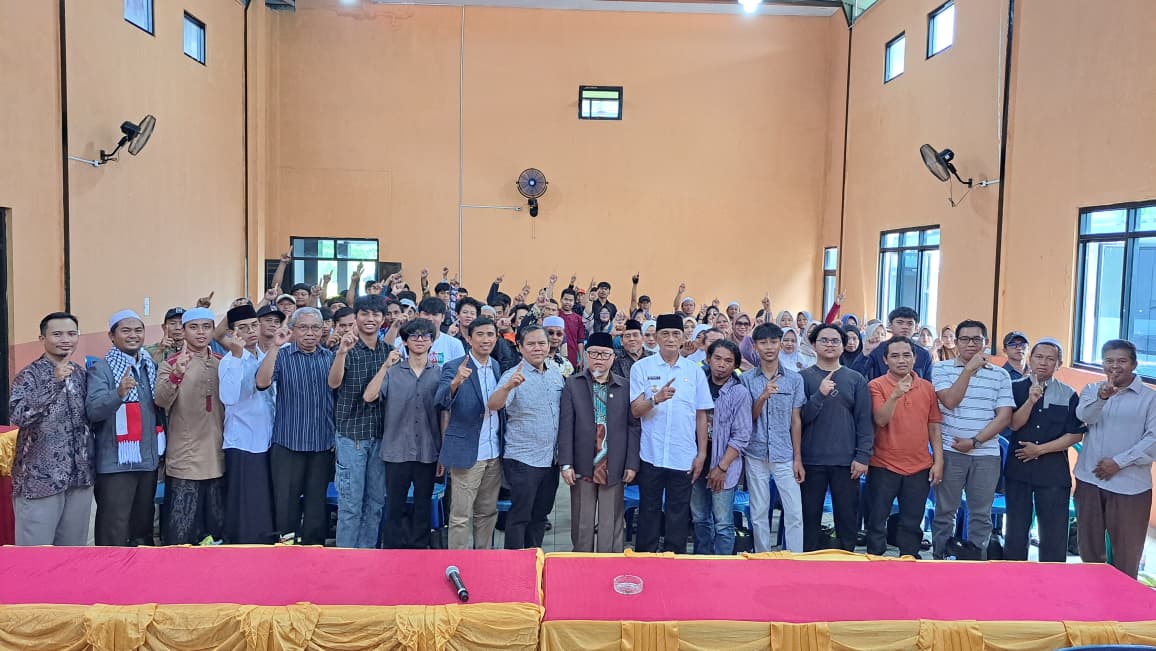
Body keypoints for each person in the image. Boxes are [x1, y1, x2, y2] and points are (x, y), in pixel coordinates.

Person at [930, 319, 1014, 560]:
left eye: (976, 339)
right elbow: (949, 401)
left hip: (986, 454)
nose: (971, 344)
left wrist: (975, 442)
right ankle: (940, 557)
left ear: (985, 343)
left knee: (981, 513)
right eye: (965, 339)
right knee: (945, 511)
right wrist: (968, 370)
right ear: (956, 343)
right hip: (950, 452)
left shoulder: (1000, 375)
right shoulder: (941, 369)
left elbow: (1004, 416)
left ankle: (976, 561)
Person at [630, 314, 713, 553]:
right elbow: (635, 410)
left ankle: (674, 564)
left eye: (676, 334)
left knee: (678, 513)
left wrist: (701, 455)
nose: (670, 338)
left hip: (683, 455)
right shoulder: (641, 368)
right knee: (649, 511)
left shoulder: (694, 372)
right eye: (664, 334)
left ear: (684, 338)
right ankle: (645, 561)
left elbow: (701, 415)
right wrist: (655, 399)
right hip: (651, 454)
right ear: (656, 338)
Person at [10, 313, 94, 546]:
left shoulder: (80, 374)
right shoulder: (29, 375)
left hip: (79, 477)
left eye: (71, 334)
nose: (65, 340)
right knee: (35, 553)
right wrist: (53, 383)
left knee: (72, 552)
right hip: (40, 479)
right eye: (57, 334)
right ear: (42, 338)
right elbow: (18, 416)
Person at [1074, 339, 1156, 578]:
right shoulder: (1092, 389)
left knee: (1127, 554)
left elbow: (1153, 439)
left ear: (1134, 364)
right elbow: (1083, 417)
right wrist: (1101, 398)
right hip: (1089, 480)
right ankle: (1092, 593)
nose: (1115, 366)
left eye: (1122, 361)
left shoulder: (1150, 399)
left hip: (1130, 486)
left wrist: (1119, 462)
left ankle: (1123, 598)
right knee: (1089, 549)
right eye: (1109, 361)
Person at [256, 306, 336, 545]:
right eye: (303, 327)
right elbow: (261, 383)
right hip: (288, 441)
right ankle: (287, 546)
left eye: (315, 328)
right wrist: (275, 346)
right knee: (285, 502)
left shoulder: (330, 358)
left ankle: (313, 548)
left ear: (323, 330)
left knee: (316, 503)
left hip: (321, 442)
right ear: (293, 330)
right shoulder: (282, 355)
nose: (310, 333)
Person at [558, 332, 641, 553]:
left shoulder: (625, 386)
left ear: (613, 357)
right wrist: (565, 463)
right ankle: (581, 562)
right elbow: (565, 425)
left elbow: (633, 427)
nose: (599, 359)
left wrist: (632, 463)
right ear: (586, 355)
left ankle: (608, 563)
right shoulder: (573, 384)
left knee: (610, 520)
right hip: (582, 460)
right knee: (582, 520)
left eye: (605, 354)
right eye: (594, 353)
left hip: (613, 462)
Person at [1005, 338, 1085, 562]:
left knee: (1054, 534)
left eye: (1050, 359)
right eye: (1039, 357)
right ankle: (1013, 574)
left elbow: (1075, 434)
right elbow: (1013, 425)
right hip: (1018, 470)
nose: (1043, 363)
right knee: (1015, 531)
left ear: (1059, 364)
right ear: (1030, 359)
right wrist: (1030, 401)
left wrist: (1039, 450)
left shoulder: (1068, 394)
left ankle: (1052, 578)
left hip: (1053, 472)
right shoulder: (1014, 388)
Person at [86, 310, 162, 546]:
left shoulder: (149, 365)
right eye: (125, 330)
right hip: (116, 463)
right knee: (114, 528)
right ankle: (110, 568)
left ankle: (142, 568)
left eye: (138, 330)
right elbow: (94, 410)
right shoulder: (102, 369)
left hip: (147, 460)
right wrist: (118, 394)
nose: (133, 335)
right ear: (111, 336)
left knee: (143, 525)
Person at [487, 326, 565, 549]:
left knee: (540, 516)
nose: (537, 348)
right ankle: (515, 563)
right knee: (520, 516)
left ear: (548, 346)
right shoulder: (513, 375)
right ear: (520, 347)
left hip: (550, 459)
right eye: (530, 344)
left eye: (541, 343)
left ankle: (534, 558)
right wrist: (508, 387)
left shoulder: (555, 374)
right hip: (523, 459)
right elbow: (494, 405)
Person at [866, 336, 944, 558]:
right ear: (885, 360)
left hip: (919, 466)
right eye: (895, 356)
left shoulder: (927, 388)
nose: (901, 360)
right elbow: (880, 420)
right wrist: (895, 395)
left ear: (915, 358)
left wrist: (938, 461)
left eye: (906, 355)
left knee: (912, 521)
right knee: (877, 519)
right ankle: (874, 560)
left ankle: (909, 559)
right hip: (883, 465)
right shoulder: (876, 385)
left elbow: (934, 427)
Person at [799, 324, 874, 552]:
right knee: (809, 517)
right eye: (824, 340)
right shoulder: (803, 378)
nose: (830, 345)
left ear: (843, 346)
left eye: (835, 341)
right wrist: (819, 395)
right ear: (814, 345)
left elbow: (864, 420)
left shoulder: (855, 379)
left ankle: (846, 559)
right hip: (811, 460)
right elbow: (800, 419)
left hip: (846, 462)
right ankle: (808, 561)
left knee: (847, 518)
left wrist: (862, 457)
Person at [154, 307, 226, 545]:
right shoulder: (170, 364)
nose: (200, 332)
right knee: (181, 529)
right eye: (194, 327)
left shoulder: (223, 363)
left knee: (214, 528)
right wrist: (177, 374)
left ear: (213, 330)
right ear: (183, 331)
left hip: (217, 453)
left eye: (206, 327)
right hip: (185, 455)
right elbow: (160, 401)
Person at [364, 318, 438, 549]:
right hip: (396, 449)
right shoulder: (393, 371)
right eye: (413, 336)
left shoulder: (439, 373)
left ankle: (419, 549)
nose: (419, 340)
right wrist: (385, 366)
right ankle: (393, 550)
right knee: (394, 505)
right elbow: (369, 396)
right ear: (405, 341)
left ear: (431, 341)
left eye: (425, 336)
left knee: (423, 504)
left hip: (428, 450)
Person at [327, 295, 391, 548]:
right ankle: (345, 559)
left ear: (383, 319)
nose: (370, 319)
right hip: (351, 436)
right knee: (350, 505)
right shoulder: (346, 348)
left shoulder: (389, 352)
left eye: (376, 314)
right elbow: (333, 383)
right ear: (356, 317)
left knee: (375, 503)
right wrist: (341, 352)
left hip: (380, 436)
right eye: (365, 313)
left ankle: (368, 557)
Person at [438, 317, 505, 549]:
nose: (486, 340)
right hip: (467, 452)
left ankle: (482, 559)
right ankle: (457, 562)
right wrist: (455, 382)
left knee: (487, 513)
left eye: (490, 334)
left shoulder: (496, 366)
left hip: (493, 452)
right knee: (460, 516)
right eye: (480, 334)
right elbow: (440, 401)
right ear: (468, 338)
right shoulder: (454, 366)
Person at [741, 323, 805, 552]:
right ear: (755, 347)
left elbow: (795, 420)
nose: (768, 347)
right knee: (758, 511)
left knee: (794, 510)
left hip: (784, 452)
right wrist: (762, 397)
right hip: (755, 452)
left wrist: (797, 458)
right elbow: (747, 419)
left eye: (773, 342)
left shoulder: (795, 379)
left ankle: (795, 557)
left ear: (780, 344)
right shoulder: (746, 379)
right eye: (763, 342)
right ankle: (762, 556)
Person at [217, 304, 276, 544]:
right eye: (243, 327)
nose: (250, 331)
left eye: (253, 325)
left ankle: (264, 542)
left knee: (263, 498)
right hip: (242, 440)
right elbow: (228, 397)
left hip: (267, 438)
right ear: (233, 333)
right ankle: (242, 544)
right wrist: (236, 356)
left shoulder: (264, 356)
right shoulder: (229, 361)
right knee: (244, 500)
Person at [690, 339, 752, 555]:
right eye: (717, 358)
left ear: (735, 365)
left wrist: (722, 467)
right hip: (695, 463)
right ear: (708, 359)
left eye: (728, 361)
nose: (721, 364)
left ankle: (723, 565)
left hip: (724, 465)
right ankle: (702, 561)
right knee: (699, 518)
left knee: (723, 523)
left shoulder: (739, 393)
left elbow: (742, 435)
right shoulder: (697, 385)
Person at [858, 307, 933, 381]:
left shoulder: (924, 355)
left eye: (910, 323)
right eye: (900, 322)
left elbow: (928, 384)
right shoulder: (877, 349)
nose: (905, 327)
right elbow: (855, 377)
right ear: (890, 325)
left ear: (916, 328)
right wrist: (865, 353)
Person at [559, 288, 586, 368]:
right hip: (555, 358)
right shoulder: (555, 314)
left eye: (570, 300)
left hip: (572, 360)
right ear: (561, 300)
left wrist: (581, 359)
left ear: (574, 302)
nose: (568, 302)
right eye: (565, 299)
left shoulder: (578, 319)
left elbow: (580, 340)